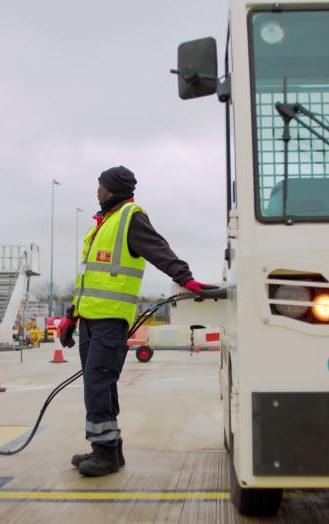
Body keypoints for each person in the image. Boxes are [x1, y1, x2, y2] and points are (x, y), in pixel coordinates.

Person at [56, 165, 213, 477]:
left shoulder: (130, 217)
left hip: (110, 322)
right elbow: (86, 279)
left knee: (99, 386)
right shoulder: (102, 224)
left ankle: (105, 455)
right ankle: (109, 448)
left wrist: (186, 278)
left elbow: (158, 250)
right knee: (97, 385)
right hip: (89, 320)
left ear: (111, 189)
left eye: (99, 186)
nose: (96, 191)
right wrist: (71, 317)